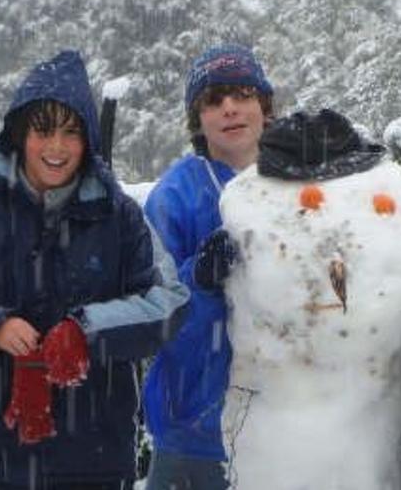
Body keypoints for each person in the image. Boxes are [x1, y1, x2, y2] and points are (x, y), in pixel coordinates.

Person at [0, 50, 188, 490]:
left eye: (71, 132)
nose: (56, 147)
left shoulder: (119, 216)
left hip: (88, 464)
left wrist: (87, 331)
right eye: (42, 130)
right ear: (19, 135)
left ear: (88, 139)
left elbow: (169, 300)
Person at [142, 43, 274, 490]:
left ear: (265, 105)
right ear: (197, 119)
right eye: (213, 100)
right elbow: (152, 312)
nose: (230, 109)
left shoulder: (299, 183)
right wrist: (197, 281)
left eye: (243, 94)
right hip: (193, 430)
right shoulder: (175, 195)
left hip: (284, 425)